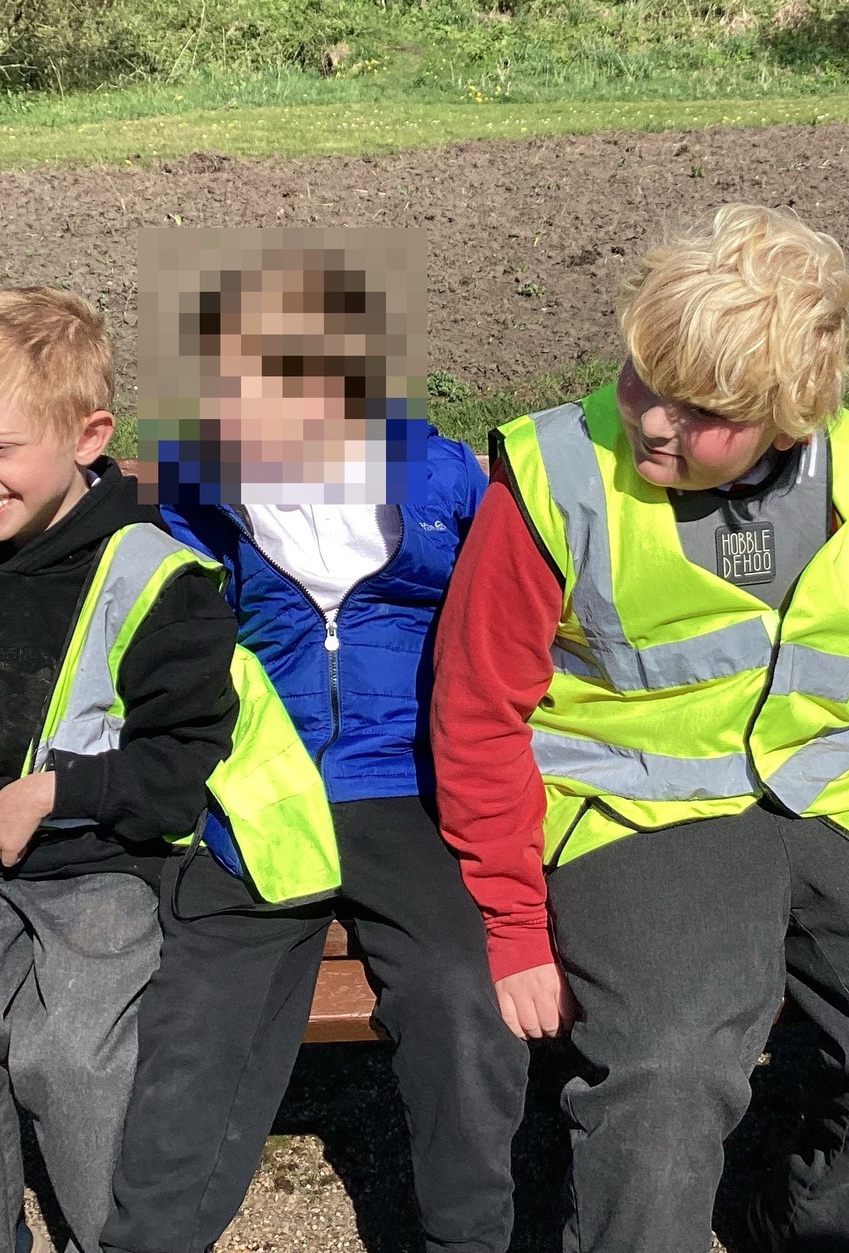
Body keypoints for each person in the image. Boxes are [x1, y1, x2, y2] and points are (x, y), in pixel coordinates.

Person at [428, 205, 849, 1253]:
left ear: (787, 420)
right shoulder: (556, 479)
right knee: (667, 1066)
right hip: (630, 810)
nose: (653, 420)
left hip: (831, 792)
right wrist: (511, 922)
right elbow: (476, 711)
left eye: (699, 409)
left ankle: (803, 1229)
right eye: (641, 376)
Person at [0, 287, 339, 1253]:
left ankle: (109, 1239)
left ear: (88, 437)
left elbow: (177, 768)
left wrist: (56, 791)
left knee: (75, 1054)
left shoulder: (160, 581)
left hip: (110, 860)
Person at [102, 251, 528, 1253]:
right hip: (259, 792)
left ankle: (467, 1239)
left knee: (461, 998)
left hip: (410, 783)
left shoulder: (440, 480)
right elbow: (161, 635)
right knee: (198, 1026)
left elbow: (509, 625)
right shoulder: (195, 494)